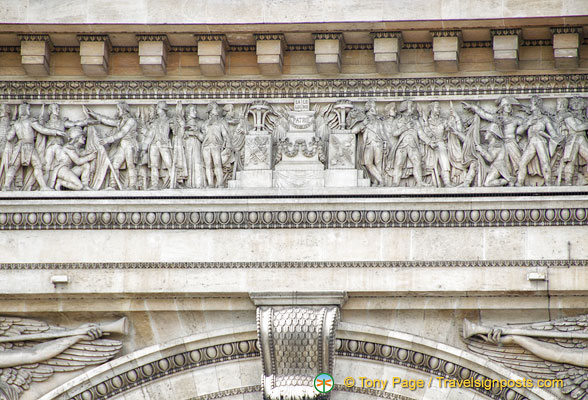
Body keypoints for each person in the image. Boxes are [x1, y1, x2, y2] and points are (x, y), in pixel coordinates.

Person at [2, 102, 65, 191]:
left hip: (18, 147)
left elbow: (9, 137)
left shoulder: (16, 124)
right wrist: (56, 132)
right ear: (27, 110)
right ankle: (43, 186)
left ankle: (6, 186)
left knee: (13, 166)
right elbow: (42, 130)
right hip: (29, 147)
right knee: (38, 165)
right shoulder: (30, 121)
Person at [462, 96, 525, 177]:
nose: (509, 107)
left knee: (518, 164)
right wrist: (473, 107)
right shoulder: (498, 119)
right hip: (502, 145)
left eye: (509, 105)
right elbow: (484, 114)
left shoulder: (516, 119)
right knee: (507, 167)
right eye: (506, 105)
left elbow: (525, 124)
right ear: (502, 107)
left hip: (512, 144)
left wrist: (519, 135)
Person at [84, 101, 138, 190]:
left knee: (130, 164)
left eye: (118, 109)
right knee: (115, 164)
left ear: (123, 110)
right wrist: (94, 114)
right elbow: (108, 121)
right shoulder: (120, 122)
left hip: (129, 144)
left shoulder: (131, 121)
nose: (117, 111)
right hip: (122, 145)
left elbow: (121, 133)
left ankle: (133, 186)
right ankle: (113, 185)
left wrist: (107, 140)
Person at [515, 96, 559, 186]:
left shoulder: (544, 118)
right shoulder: (529, 119)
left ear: (536, 105)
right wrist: (528, 124)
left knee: (545, 162)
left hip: (540, 141)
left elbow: (552, 132)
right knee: (522, 162)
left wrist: (556, 140)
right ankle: (519, 183)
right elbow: (518, 131)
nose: (530, 106)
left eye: (532, 104)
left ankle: (548, 183)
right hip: (531, 142)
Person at [387, 100, 430, 187]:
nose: (413, 108)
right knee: (398, 163)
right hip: (402, 146)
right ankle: (395, 182)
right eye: (411, 107)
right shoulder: (398, 121)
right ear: (406, 108)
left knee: (417, 163)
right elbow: (394, 133)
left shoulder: (415, 121)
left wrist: (430, 142)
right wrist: (405, 128)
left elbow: (421, 134)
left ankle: (419, 182)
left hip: (413, 146)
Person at [351, 100, 388, 186]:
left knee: (379, 164)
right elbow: (353, 131)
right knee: (368, 163)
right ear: (370, 109)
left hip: (379, 144)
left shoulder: (379, 121)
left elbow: (383, 133)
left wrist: (385, 143)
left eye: (375, 107)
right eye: (374, 107)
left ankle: (376, 181)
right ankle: (381, 180)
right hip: (368, 145)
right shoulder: (364, 121)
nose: (376, 109)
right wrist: (363, 124)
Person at [557, 97, 588, 185]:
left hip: (581, 138)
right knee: (571, 161)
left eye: (578, 103)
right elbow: (576, 127)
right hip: (573, 139)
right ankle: (568, 181)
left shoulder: (582, 117)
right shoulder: (568, 115)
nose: (576, 105)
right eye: (574, 103)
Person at [201, 102, 231, 188]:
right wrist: (194, 133)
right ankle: (210, 184)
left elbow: (225, 135)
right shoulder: (205, 124)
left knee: (218, 164)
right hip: (206, 147)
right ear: (210, 111)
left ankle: (220, 183)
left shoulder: (220, 123)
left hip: (217, 146)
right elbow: (203, 137)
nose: (217, 110)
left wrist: (228, 146)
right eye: (215, 108)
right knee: (208, 165)